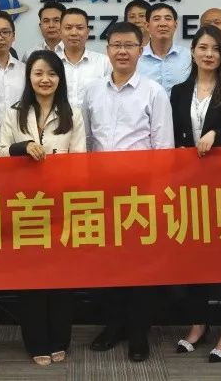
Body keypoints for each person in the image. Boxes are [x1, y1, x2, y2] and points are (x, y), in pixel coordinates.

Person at [83, 21, 174, 363]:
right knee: (108, 264)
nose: (122, 51)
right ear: (107, 50)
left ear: (140, 49)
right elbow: (87, 142)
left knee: (140, 265)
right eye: (116, 45)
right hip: (101, 192)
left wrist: (157, 195)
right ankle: (114, 326)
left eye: (129, 45)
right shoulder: (92, 91)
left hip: (140, 193)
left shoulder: (154, 92)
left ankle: (138, 333)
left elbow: (163, 148)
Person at [0, 50, 85, 366]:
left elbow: (80, 160)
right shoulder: (14, 113)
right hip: (26, 208)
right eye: (38, 73)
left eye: (51, 73)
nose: (45, 79)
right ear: (29, 77)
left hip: (61, 206)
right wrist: (22, 148)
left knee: (61, 278)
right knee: (31, 278)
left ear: (60, 78)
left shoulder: (73, 113)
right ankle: (36, 342)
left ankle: (60, 339)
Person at [169, 26, 221, 363]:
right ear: (192, 51)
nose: (208, 54)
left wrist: (217, 134)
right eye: (203, 47)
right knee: (195, 260)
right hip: (189, 188)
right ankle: (198, 324)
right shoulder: (178, 92)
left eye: (215, 49)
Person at [59, 7, 111, 107]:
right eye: (68, 28)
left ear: (87, 32)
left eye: (79, 28)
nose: (74, 33)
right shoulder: (50, 62)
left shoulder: (104, 62)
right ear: (60, 32)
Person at [138, 2, 191, 94]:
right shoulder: (136, 56)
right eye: (156, 19)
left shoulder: (188, 56)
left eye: (168, 18)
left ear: (175, 25)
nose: (163, 24)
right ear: (147, 26)